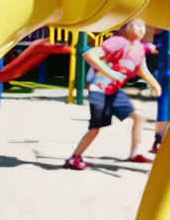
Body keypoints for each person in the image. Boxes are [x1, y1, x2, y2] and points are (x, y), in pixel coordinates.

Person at [64, 19, 162, 170]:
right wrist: (111, 73)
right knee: (95, 128)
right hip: (100, 89)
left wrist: (154, 83)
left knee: (139, 117)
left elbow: (142, 70)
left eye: (143, 26)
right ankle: (74, 158)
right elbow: (89, 54)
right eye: (136, 25)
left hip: (114, 91)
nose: (141, 28)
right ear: (125, 29)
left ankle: (134, 155)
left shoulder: (139, 49)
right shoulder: (118, 42)